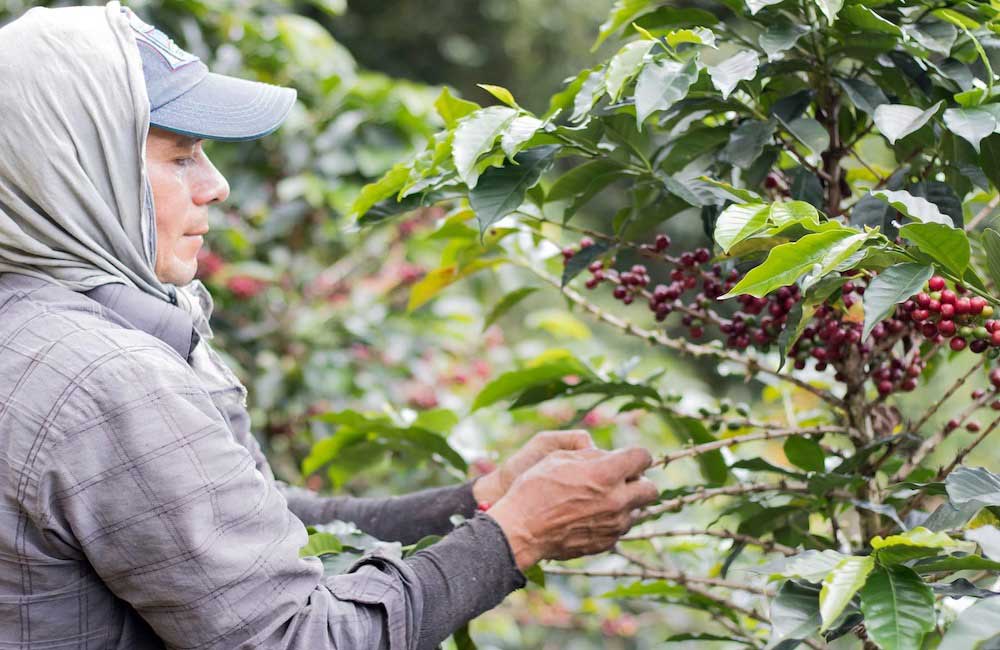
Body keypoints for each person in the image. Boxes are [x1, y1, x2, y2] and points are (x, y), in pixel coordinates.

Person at [0, 3, 659, 648]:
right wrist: (518, 537)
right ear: (73, 168)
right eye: (180, 157)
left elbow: (254, 529)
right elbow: (300, 637)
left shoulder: (31, 328)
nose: (216, 185)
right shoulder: (110, 381)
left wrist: (481, 501)